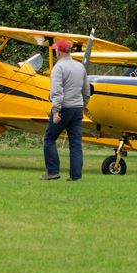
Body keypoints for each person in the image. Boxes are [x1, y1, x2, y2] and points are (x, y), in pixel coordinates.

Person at [42, 39, 89, 181]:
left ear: (59, 51)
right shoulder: (80, 66)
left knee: (49, 139)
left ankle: (53, 171)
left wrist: (56, 111)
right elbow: (86, 90)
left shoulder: (59, 67)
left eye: (56, 50)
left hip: (63, 108)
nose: (55, 52)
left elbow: (57, 90)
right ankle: (76, 176)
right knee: (75, 143)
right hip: (77, 109)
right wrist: (83, 104)